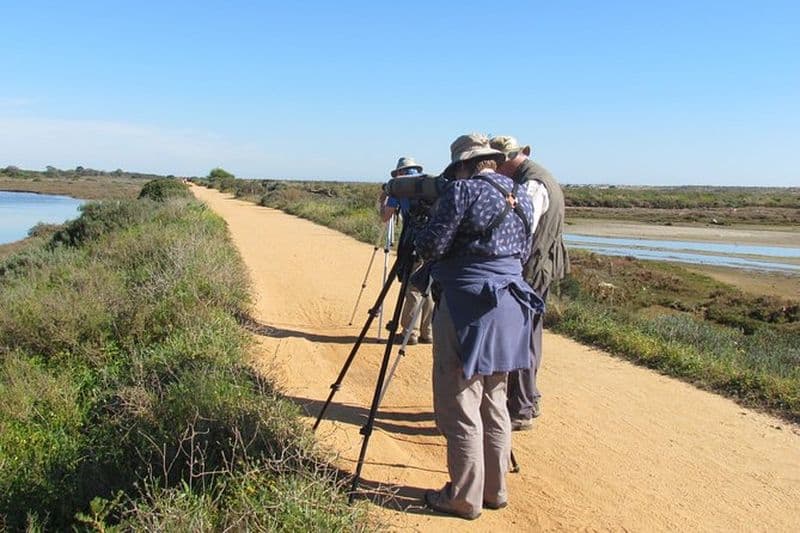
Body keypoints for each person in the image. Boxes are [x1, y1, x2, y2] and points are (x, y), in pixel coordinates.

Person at [415, 133, 543, 519]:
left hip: (469, 305)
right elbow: (523, 250)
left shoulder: (463, 193)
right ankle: (494, 490)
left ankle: (463, 497)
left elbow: (431, 248)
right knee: (495, 399)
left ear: (464, 166)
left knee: (461, 401)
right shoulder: (521, 194)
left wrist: (421, 227)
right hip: (511, 305)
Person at [490, 135, 570, 431]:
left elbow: (521, 229)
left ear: (511, 159)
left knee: (520, 335)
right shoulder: (535, 177)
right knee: (530, 333)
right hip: (539, 264)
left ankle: (520, 406)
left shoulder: (532, 185)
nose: (496, 169)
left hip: (532, 267)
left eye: (499, 163)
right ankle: (528, 399)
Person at [379, 156, 434, 345]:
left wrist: (383, 200)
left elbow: (385, 217)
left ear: (399, 172)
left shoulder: (399, 188)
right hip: (436, 240)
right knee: (428, 285)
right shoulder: (429, 185)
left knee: (412, 286)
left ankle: (410, 333)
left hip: (413, 241)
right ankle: (428, 331)